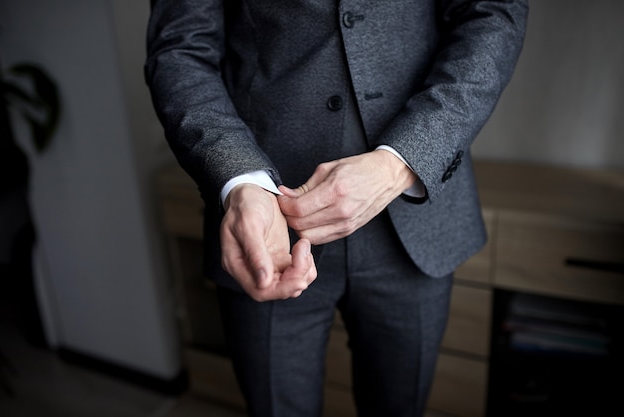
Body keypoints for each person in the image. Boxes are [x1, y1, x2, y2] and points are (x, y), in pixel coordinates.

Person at [145, 1, 528, 416]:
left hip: (414, 225)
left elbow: (494, 14)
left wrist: (401, 161)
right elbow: (181, 48)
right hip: (268, 227)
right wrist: (240, 180)